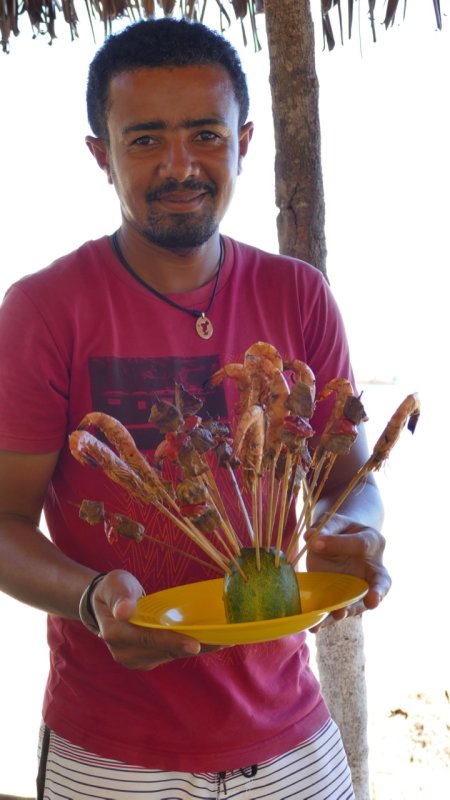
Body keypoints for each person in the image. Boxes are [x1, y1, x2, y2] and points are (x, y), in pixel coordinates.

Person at [0, 17, 390, 800]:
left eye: (205, 134)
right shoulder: (45, 310)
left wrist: (358, 530)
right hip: (109, 750)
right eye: (144, 139)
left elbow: (348, 478)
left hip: (292, 740)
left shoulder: (298, 297)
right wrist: (87, 594)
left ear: (244, 141)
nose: (180, 165)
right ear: (100, 154)